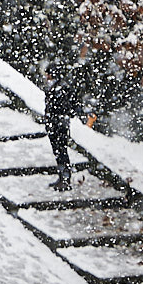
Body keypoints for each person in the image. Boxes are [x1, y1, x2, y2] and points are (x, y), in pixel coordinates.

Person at [42, 61, 91, 191]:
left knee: (61, 150)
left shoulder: (62, 88)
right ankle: (62, 176)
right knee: (58, 151)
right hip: (54, 122)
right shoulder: (54, 87)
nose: (46, 77)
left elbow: (71, 105)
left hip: (59, 123)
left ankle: (65, 178)